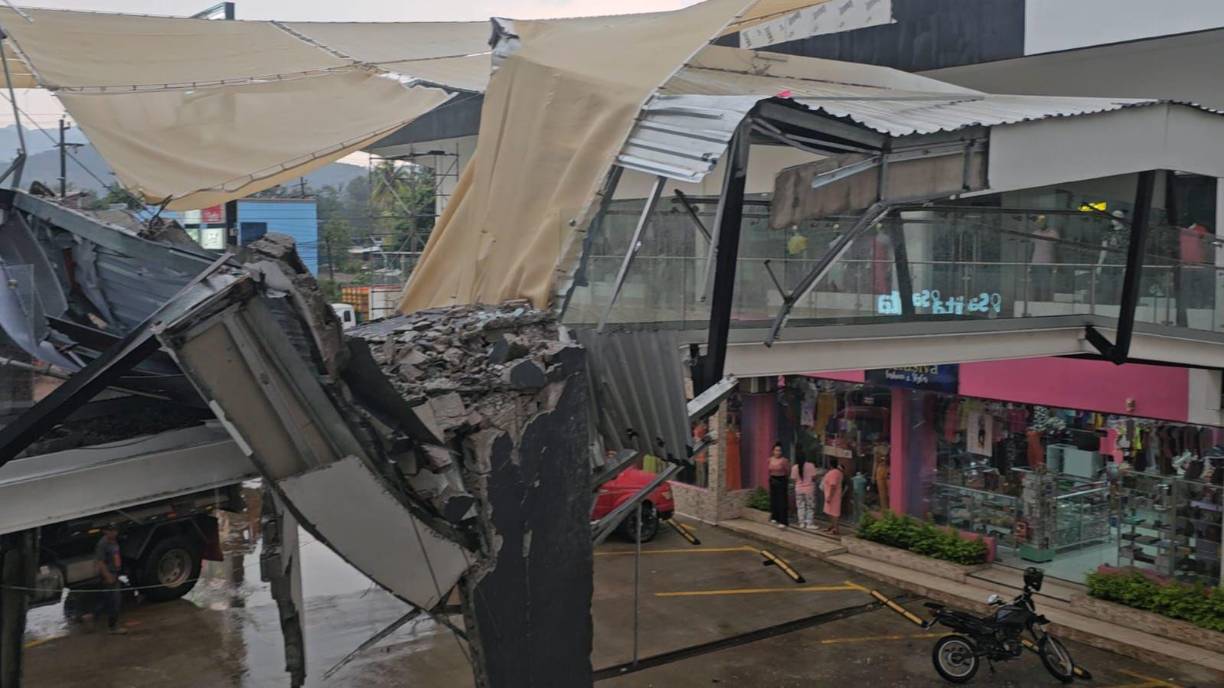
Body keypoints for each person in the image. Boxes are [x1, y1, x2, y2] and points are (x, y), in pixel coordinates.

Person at [94, 524, 126, 634]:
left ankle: (92, 617)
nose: (114, 533)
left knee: (107, 600)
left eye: (115, 530)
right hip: (109, 575)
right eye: (111, 531)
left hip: (115, 573)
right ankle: (113, 627)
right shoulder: (103, 544)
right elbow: (100, 562)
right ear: (105, 531)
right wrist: (108, 576)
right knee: (114, 601)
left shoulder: (114, 541)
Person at [791, 452, 819, 529]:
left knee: (800, 506)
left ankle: (801, 523)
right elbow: (814, 477)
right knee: (810, 506)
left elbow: (793, 479)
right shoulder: (811, 465)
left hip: (798, 489)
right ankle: (809, 523)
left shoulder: (794, 467)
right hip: (809, 490)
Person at [767, 442, 791, 529]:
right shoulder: (770, 459)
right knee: (774, 499)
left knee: (782, 501)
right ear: (773, 451)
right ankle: (775, 517)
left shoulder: (784, 460)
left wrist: (785, 479)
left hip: (781, 480)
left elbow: (788, 471)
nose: (778, 452)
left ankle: (783, 521)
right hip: (773, 479)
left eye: (780, 450)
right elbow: (769, 470)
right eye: (776, 450)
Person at [822, 459, 846, 535]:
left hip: (833, 496)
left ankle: (836, 528)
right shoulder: (839, 473)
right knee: (829, 512)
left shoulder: (833, 473)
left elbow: (833, 485)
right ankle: (832, 526)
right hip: (833, 495)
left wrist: (830, 496)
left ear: (830, 465)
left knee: (834, 513)